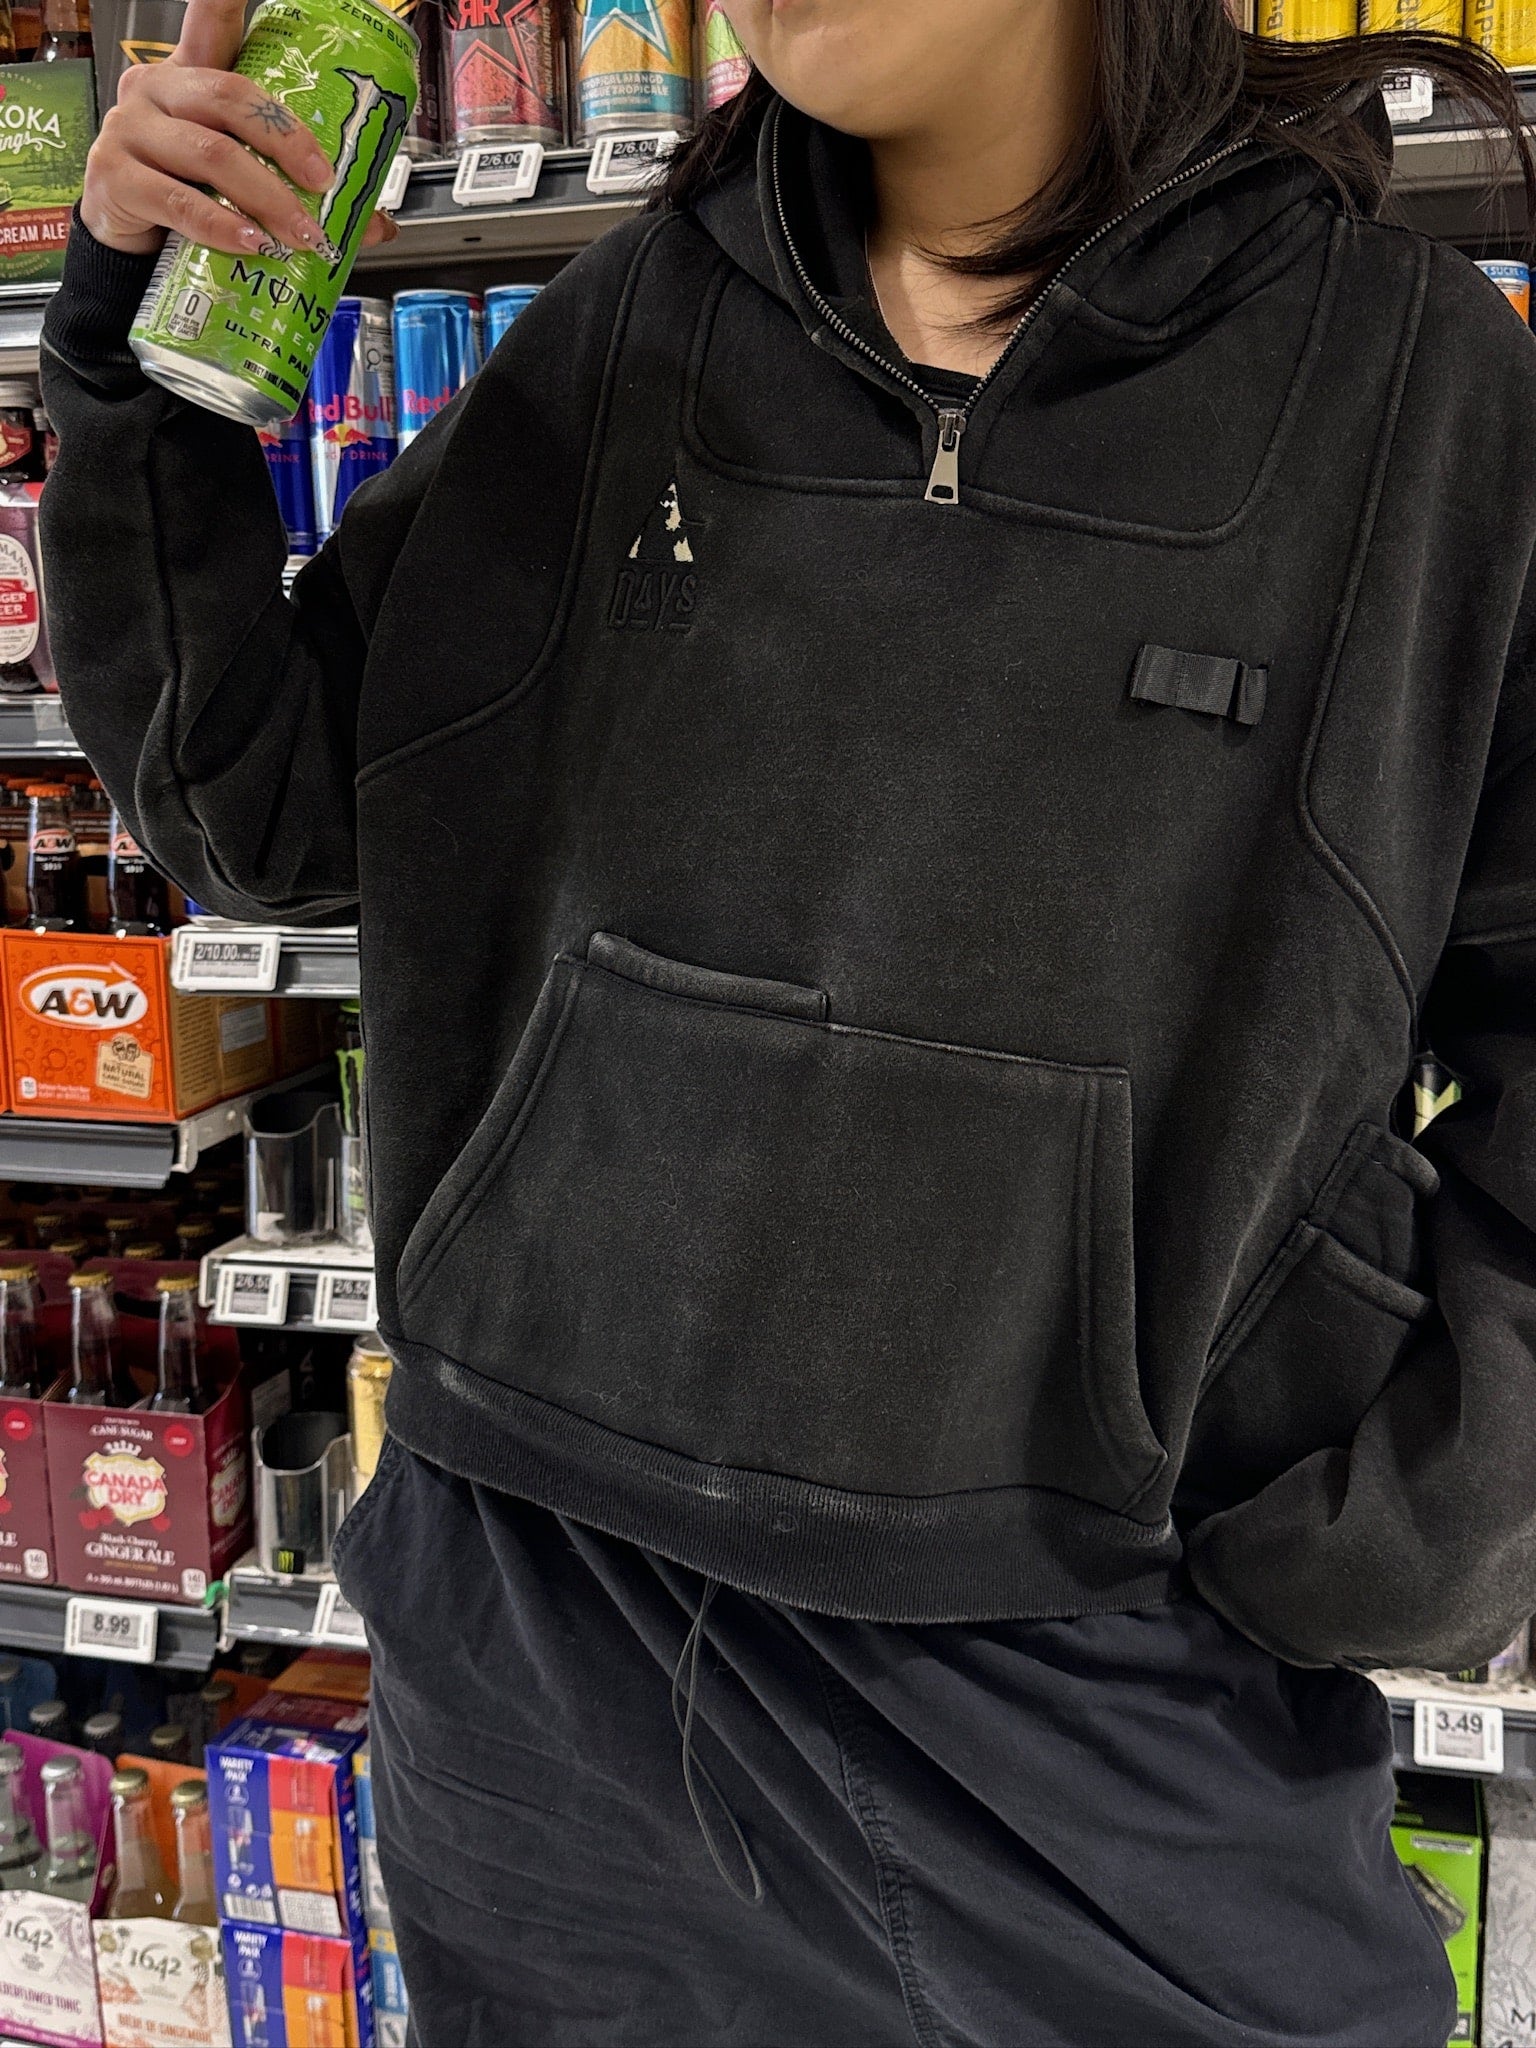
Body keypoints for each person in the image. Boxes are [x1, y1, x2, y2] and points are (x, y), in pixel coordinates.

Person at [41, 0, 1536, 2039]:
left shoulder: (1413, 383)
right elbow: (266, 815)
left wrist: (1412, 1536)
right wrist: (143, 362)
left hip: (1089, 1698)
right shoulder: (626, 328)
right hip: (544, 1651)